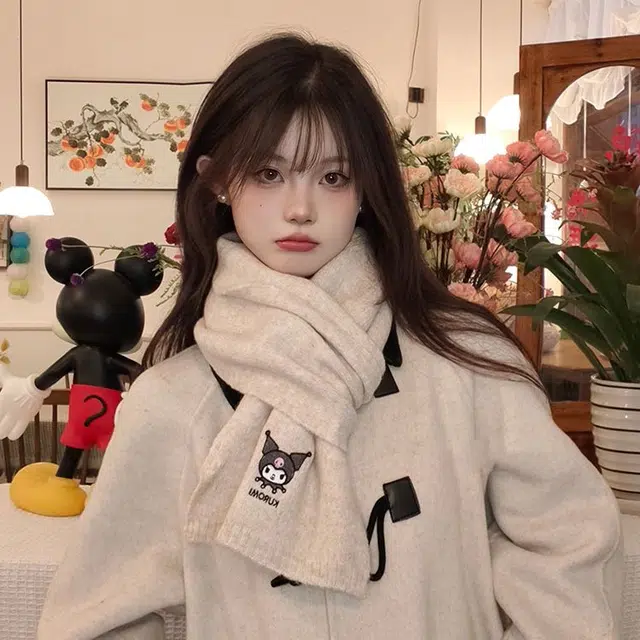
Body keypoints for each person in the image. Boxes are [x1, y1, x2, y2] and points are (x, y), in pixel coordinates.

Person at [37, 33, 623, 640]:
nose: (300, 208)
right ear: (217, 182)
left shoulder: (467, 361)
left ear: (367, 187)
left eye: (333, 176)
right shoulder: (172, 400)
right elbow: (95, 616)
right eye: (268, 173)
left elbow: (570, 539)